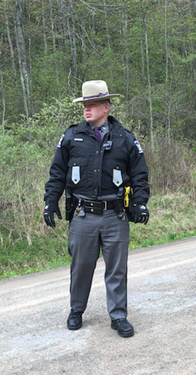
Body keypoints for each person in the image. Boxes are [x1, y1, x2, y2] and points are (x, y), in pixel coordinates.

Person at [43, 80, 150, 337]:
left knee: (117, 268)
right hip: (83, 214)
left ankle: (118, 316)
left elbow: (140, 175)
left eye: (92, 105)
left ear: (106, 106)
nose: (86, 110)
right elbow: (57, 173)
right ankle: (76, 311)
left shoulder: (125, 138)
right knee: (81, 267)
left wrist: (140, 203)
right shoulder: (72, 137)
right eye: (84, 105)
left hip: (116, 215)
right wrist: (50, 200)